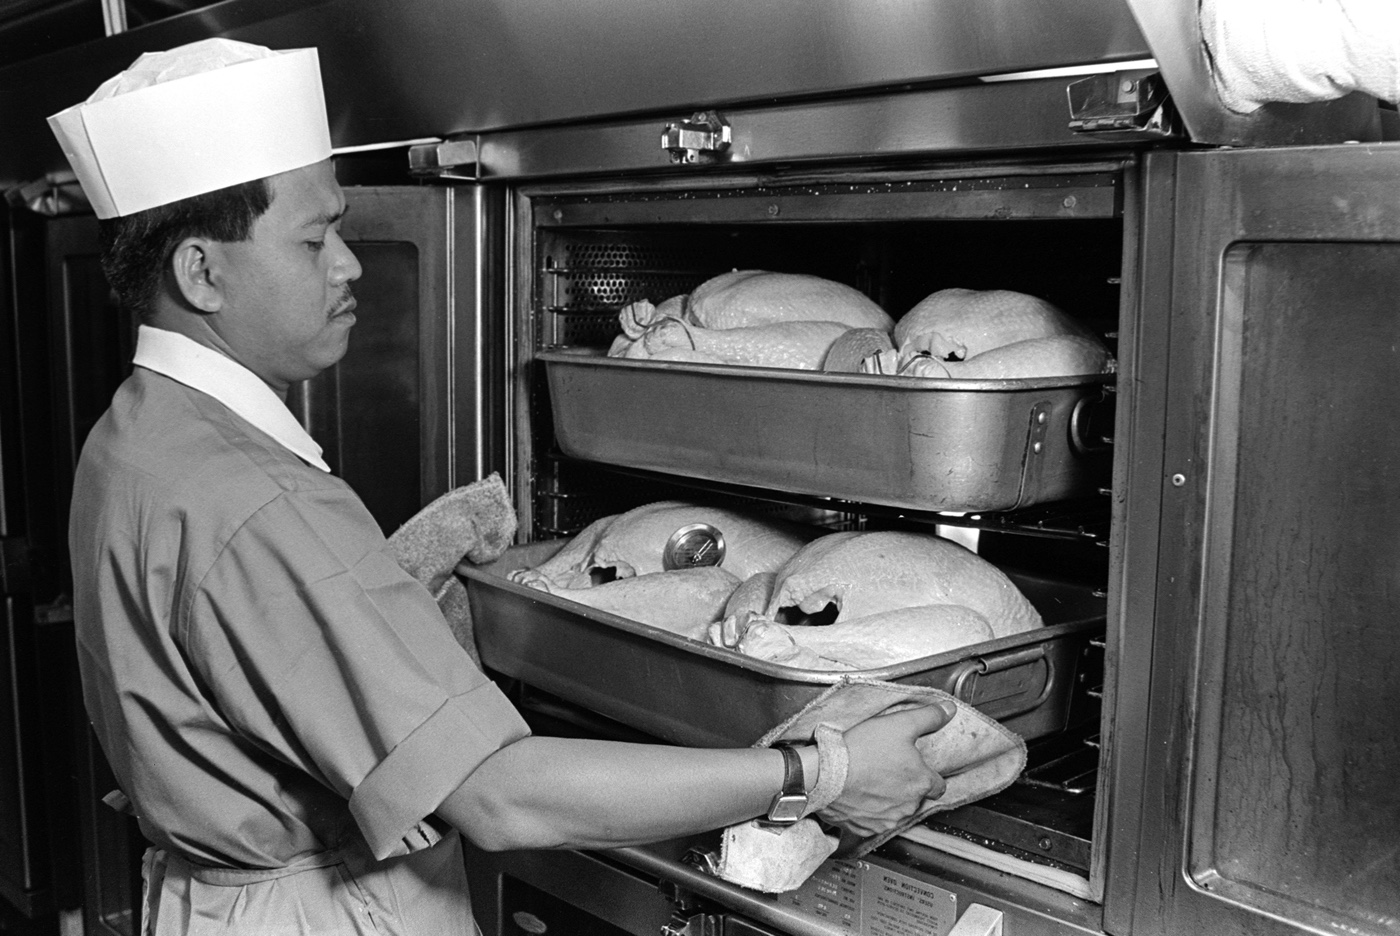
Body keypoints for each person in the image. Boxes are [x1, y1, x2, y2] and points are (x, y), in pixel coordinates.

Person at [50, 38, 955, 935]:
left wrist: (371, 603)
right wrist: (817, 771)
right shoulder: (264, 503)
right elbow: (501, 802)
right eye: (316, 236)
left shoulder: (136, 438)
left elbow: (219, 648)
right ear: (201, 271)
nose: (350, 264)